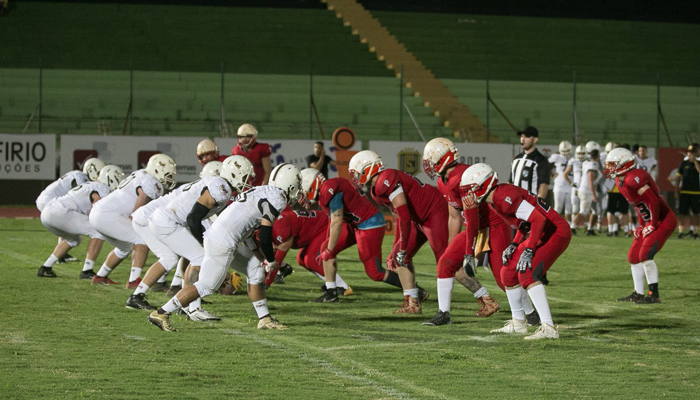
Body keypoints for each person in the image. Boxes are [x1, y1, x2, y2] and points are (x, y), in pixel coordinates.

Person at [147, 163, 302, 332]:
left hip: (224, 236)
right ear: (290, 184)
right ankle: (161, 312)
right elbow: (265, 235)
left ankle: (264, 319)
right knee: (207, 286)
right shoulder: (278, 197)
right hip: (223, 241)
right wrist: (271, 260)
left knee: (255, 269)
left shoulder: (263, 191)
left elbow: (248, 231)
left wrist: (259, 256)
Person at [127, 156, 251, 321]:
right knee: (199, 257)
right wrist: (201, 241)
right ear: (233, 174)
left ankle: (185, 304)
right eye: (244, 176)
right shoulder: (220, 188)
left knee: (185, 257)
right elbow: (194, 218)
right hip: (166, 220)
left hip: (164, 219)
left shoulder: (214, 185)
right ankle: (193, 308)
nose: (247, 181)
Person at [423, 138, 528, 326]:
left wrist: (468, 253)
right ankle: (443, 313)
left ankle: (531, 312)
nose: (428, 164)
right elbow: (454, 215)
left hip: (493, 224)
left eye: (431, 159)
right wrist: (452, 245)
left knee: (502, 277)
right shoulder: (442, 181)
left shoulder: (461, 177)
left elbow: (472, 218)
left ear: (442, 159)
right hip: (476, 227)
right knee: (445, 262)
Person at [461, 163, 571, 340]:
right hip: (541, 231)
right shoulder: (494, 201)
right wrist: (514, 243)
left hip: (555, 231)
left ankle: (549, 327)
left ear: (483, 185)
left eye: (470, 189)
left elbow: (538, 219)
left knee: (527, 273)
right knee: (507, 273)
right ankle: (519, 322)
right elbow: (524, 223)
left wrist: (528, 249)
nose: (468, 195)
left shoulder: (503, 196)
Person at [349, 150, 449, 314]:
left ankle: (484, 297)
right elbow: (398, 218)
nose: (355, 178)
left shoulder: (386, 179)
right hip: (416, 219)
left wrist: (401, 247)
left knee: (445, 262)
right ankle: (413, 303)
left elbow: (403, 215)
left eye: (356, 173)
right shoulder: (375, 191)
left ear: (367, 169)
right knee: (398, 258)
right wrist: (397, 247)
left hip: (433, 212)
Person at [300, 168, 415, 304]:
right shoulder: (327, 189)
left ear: (312, 185)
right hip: (355, 224)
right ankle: (331, 292)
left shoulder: (329, 189)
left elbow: (336, 222)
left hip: (369, 223)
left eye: (303, 190)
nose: (302, 195)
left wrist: (329, 250)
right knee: (326, 245)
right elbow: (332, 221)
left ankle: (414, 290)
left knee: (375, 272)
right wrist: (328, 245)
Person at [89, 154, 176, 288]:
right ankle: (134, 280)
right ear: (157, 170)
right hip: (108, 214)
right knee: (142, 238)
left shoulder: (140, 174)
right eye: (168, 174)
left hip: (99, 212)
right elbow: (141, 198)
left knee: (125, 247)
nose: (170, 177)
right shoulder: (152, 182)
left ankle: (100, 276)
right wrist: (135, 216)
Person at [605, 148, 677, 303]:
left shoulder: (633, 177)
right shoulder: (620, 180)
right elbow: (639, 205)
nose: (610, 168)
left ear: (624, 163)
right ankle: (638, 293)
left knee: (645, 255)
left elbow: (653, 201)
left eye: (613, 164)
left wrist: (651, 223)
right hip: (651, 219)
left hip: (663, 219)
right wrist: (641, 225)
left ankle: (654, 295)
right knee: (633, 257)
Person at [36, 166, 123, 278]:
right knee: (98, 231)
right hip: (60, 211)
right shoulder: (103, 188)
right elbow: (95, 206)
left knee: (73, 240)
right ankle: (87, 270)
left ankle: (45, 267)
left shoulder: (90, 185)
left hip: (48, 211)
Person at [263, 207, 352, 295]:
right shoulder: (271, 227)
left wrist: (265, 284)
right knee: (301, 259)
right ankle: (333, 285)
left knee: (311, 260)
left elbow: (277, 261)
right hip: (315, 227)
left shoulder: (280, 229)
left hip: (324, 226)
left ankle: (341, 287)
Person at [36, 157, 106, 263]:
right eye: (99, 172)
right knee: (67, 223)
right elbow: (76, 195)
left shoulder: (78, 175)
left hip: (48, 200)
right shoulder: (79, 177)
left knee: (67, 227)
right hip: (50, 201)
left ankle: (60, 254)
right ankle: (62, 255)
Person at [510, 126, 551, 285]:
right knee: (517, 240)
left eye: (526, 137)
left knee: (536, 240)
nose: (522, 139)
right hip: (516, 207)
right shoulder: (516, 159)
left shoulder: (540, 160)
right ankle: (518, 272)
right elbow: (510, 182)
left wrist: (537, 206)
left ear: (535, 139)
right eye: (522, 136)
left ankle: (540, 273)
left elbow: (543, 184)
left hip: (531, 207)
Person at [575, 149, 603, 236]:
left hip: (586, 189)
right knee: (583, 211)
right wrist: (594, 195)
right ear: (597, 156)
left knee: (595, 211)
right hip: (587, 190)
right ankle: (571, 227)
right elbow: (590, 180)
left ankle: (590, 229)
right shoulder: (593, 164)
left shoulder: (586, 163)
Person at [675, 144, 700, 239]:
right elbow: (678, 178)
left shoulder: (698, 162)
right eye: (689, 153)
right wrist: (676, 191)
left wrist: (695, 161)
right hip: (684, 191)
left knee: (696, 213)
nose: (690, 155)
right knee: (682, 213)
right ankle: (681, 232)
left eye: (692, 153)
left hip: (696, 192)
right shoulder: (683, 164)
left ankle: (695, 232)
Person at [563, 145, 587, 234]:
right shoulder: (573, 161)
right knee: (575, 208)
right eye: (579, 153)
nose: (581, 155)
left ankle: (586, 226)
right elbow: (565, 174)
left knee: (585, 208)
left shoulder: (588, 161)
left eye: (583, 153)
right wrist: (571, 183)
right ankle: (574, 227)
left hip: (585, 188)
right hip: (576, 188)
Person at [549, 141, 573, 222]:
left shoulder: (573, 157)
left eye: (567, 151)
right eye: (564, 151)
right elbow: (546, 165)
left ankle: (569, 227)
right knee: (558, 208)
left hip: (570, 185)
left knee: (569, 208)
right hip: (559, 185)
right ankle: (554, 225)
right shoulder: (556, 157)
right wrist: (552, 175)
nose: (566, 153)